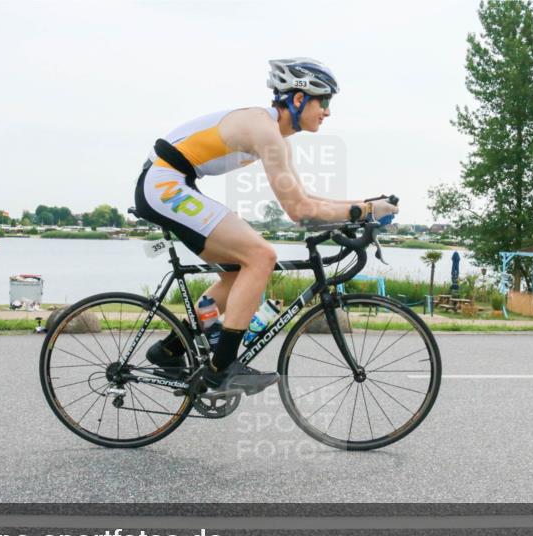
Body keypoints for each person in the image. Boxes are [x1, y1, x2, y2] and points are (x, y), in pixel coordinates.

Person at [133, 58, 398, 396]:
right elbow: (299, 211)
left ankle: (169, 349)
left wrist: (363, 207)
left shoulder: (276, 138)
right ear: (299, 99)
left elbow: (305, 199)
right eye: (324, 101)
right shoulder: (264, 131)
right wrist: (363, 211)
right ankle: (221, 369)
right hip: (164, 183)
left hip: (175, 182)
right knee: (261, 255)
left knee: (238, 271)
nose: (328, 112)